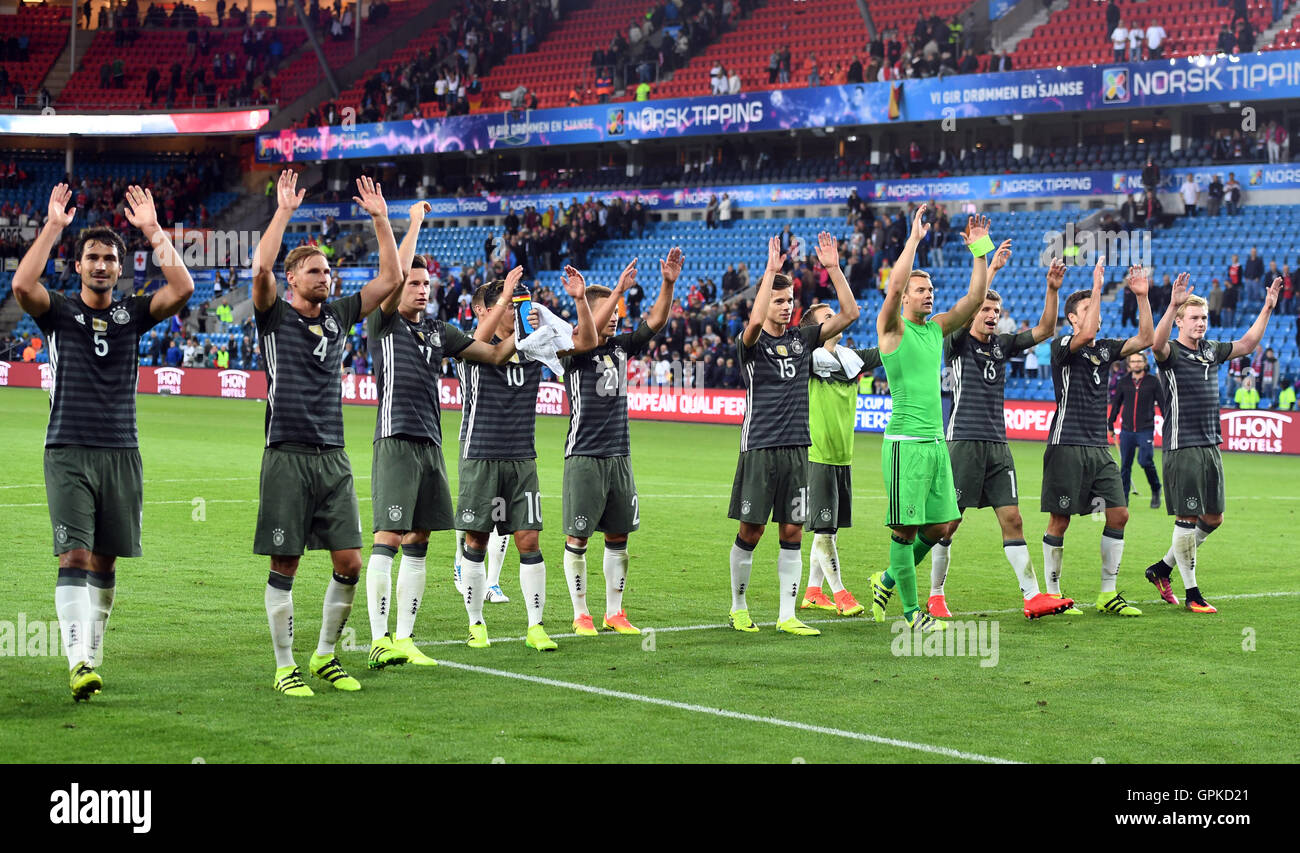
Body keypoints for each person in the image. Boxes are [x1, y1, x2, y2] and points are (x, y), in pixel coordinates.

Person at [13, 184, 193, 701]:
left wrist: (154, 231)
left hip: (122, 451)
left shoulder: (133, 314)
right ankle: (77, 663)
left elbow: (181, 289)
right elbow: (25, 283)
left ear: (120, 269)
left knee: (106, 562)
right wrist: (53, 226)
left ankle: (92, 653)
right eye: (91, 256)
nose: (100, 264)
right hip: (68, 449)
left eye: (110, 258)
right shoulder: (58, 311)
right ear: (77, 266)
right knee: (74, 555)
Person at [251, 172, 402, 698]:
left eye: (329, 270)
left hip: (333, 456)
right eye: (315, 270)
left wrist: (381, 219)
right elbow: (260, 266)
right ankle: (284, 665)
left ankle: (324, 655)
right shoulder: (272, 315)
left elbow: (391, 277)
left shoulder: (337, 315)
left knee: (350, 561)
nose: (326, 277)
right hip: (286, 453)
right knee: (286, 562)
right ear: (292, 279)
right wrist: (284, 213)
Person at [363, 203, 519, 669]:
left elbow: (488, 353)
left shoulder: (438, 331)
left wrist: (521, 322)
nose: (421, 289)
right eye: (413, 282)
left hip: (431, 444)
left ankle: (406, 640)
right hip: (395, 437)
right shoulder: (384, 322)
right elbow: (390, 276)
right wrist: (410, 224)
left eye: (426, 284)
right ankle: (377, 638)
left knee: (420, 540)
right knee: (388, 536)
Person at [867, 208, 997, 632]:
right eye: (921, 289)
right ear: (905, 296)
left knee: (941, 525)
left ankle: (886, 578)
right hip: (905, 443)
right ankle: (910, 615)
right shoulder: (892, 329)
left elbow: (975, 300)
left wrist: (980, 249)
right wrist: (913, 241)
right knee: (904, 532)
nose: (929, 294)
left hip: (936, 444)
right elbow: (893, 290)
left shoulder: (935, 330)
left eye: (932, 289)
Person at [454, 268, 596, 652]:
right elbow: (489, 346)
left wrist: (567, 306)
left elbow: (584, 343)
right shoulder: (471, 345)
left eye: (519, 304)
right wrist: (510, 310)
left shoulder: (534, 349)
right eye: (509, 304)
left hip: (522, 459)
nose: (514, 311)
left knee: (529, 540)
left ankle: (535, 626)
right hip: (480, 457)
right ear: (485, 310)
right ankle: (476, 623)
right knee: (476, 540)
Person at [927, 254, 1074, 620]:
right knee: (949, 523)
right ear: (973, 313)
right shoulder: (956, 342)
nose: (993, 315)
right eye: (986, 309)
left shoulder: (1001, 345)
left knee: (1014, 520)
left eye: (997, 310)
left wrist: (1052, 289)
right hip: (963, 441)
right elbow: (968, 304)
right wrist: (987, 266)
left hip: (997, 445)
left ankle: (1032, 596)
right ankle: (934, 594)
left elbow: (1044, 330)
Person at [727, 234, 860, 636]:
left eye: (789, 302)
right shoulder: (750, 343)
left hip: (798, 450)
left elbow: (850, 313)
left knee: (792, 532)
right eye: (778, 301)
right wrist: (769, 272)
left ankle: (787, 615)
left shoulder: (802, 340)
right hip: (760, 448)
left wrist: (834, 269)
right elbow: (752, 324)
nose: (785, 308)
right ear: (765, 300)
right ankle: (738, 607)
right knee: (751, 531)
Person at [559, 250, 680, 637]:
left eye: (617, 309)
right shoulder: (573, 349)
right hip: (584, 455)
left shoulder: (621, 347)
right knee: (577, 538)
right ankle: (581, 614)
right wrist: (605, 293)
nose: (615, 314)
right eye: (608, 309)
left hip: (619, 456)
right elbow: (587, 332)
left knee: (619, 537)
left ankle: (615, 612)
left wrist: (668, 283)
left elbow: (657, 320)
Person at [1146, 278, 1282, 613]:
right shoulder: (1171, 352)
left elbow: (1248, 344)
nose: (1201, 323)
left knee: (1214, 517)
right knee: (1187, 517)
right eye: (1194, 317)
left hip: (1210, 444)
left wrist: (1267, 308)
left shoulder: (1210, 350)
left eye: (1203, 318)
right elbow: (1155, 343)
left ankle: (1162, 569)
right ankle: (1193, 594)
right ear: (1180, 321)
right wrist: (1172, 303)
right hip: (1183, 446)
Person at [1040, 261, 1154, 618]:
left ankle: (1108, 593)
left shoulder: (1104, 349)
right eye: (1088, 309)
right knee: (1061, 520)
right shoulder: (1063, 344)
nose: (1095, 313)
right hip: (1067, 444)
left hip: (1099, 447)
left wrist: (1143, 297)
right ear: (1073, 318)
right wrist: (1096, 286)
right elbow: (1086, 335)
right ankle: (1054, 593)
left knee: (1118, 514)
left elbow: (1146, 339)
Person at [798, 238, 881, 619]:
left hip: (841, 455)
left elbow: (887, 351)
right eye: (827, 317)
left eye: (836, 315)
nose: (836, 320)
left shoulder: (849, 358)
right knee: (825, 529)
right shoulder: (807, 360)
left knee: (825, 530)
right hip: (815, 454)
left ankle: (813, 591)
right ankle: (840, 592)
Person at [1108, 352, 1163, 508]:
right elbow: (1116, 404)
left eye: (1139, 361)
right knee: (1125, 466)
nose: (1136, 364)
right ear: (1129, 364)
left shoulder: (1153, 382)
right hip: (1126, 430)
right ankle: (1123, 500)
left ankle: (1156, 488)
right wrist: (1110, 424)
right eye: (1133, 361)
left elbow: (1163, 404)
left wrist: (1170, 423)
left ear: (1145, 363)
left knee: (1145, 461)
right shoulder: (1123, 382)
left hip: (1145, 429)